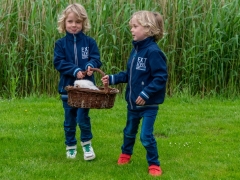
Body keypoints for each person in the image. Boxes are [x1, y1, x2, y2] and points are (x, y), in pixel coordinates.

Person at [101, 10, 168, 176]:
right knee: (129, 131)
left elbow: (161, 77)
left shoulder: (153, 52)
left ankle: (154, 163)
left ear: (148, 29)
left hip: (148, 105)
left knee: (146, 136)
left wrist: (146, 94)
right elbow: (129, 75)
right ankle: (125, 153)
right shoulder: (136, 51)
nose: (131, 29)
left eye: (135, 26)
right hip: (132, 103)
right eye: (131, 26)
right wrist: (112, 78)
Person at [53, 3, 102, 160]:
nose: (74, 25)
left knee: (83, 118)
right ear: (64, 23)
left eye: (78, 22)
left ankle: (87, 144)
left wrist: (89, 66)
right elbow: (58, 62)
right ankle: (70, 146)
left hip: (86, 91)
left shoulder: (90, 42)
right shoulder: (60, 44)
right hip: (68, 89)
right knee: (69, 120)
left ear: (83, 23)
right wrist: (74, 70)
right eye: (70, 21)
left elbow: (96, 59)